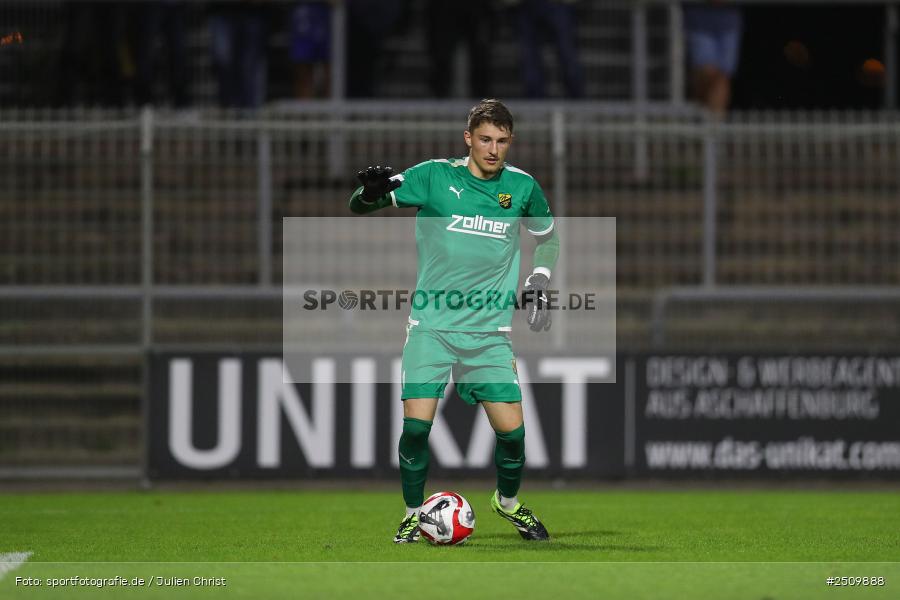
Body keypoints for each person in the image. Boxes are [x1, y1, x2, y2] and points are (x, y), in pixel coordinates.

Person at [348, 99, 559, 543]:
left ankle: (507, 503)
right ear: (468, 138)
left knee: (514, 438)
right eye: (485, 139)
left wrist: (540, 277)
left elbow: (547, 238)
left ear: (510, 142)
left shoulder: (522, 187)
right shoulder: (433, 176)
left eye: (502, 141)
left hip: (489, 335)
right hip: (432, 328)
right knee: (416, 429)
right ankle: (411, 513)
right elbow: (361, 206)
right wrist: (368, 193)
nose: (493, 149)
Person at [509, 0, 585, 98]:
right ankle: (535, 99)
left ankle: (576, 98)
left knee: (567, 53)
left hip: (558, 5)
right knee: (528, 56)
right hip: (525, 6)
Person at [683, 1, 743, 114]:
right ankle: (701, 116)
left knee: (722, 76)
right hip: (700, 16)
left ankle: (715, 126)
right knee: (706, 71)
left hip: (728, 17)